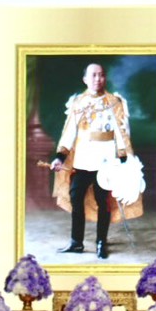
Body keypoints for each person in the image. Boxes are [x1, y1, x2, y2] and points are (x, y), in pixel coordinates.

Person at [52, 62, 133, 260]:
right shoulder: (78, 103)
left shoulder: (114, 102)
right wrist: (60, 157)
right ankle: (76, 242)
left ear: (105, 78)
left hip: (105, 162)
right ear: (85, 79)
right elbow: (69, 132)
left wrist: (123, 158)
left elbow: (121, 132)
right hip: (83, 160)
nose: (98, 79)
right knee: (76, 197)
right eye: (93, 75)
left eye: (101, 75)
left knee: (102, 202)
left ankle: (101, 242)